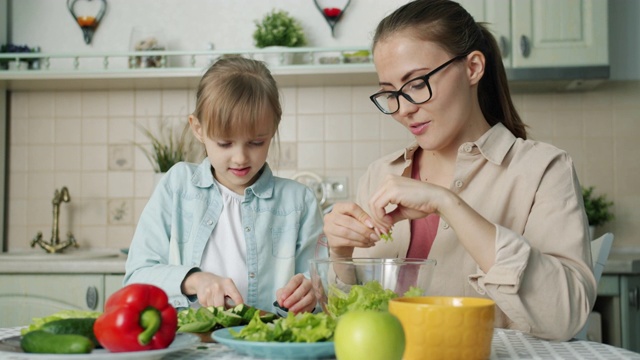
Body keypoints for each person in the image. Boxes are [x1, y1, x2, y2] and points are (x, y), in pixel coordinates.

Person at [323, 0, 596, 341]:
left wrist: (447, 202)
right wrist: (340, 255)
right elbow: (353, 323)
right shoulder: (379, 174)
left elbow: (564, 317)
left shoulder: (543, 170)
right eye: (390, 93)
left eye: (417, 83)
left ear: (472, 68)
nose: (404, 109)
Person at [125, 57, 326, 314]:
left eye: (256, 142)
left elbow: (321, 292)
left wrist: (311, 296)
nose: (241, 157)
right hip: (189, 347)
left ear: (273, 128)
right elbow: (136, 277)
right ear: (198, 128)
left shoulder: (299, 202)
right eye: (224, 143)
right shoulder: (177, 186)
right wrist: (194, 280)